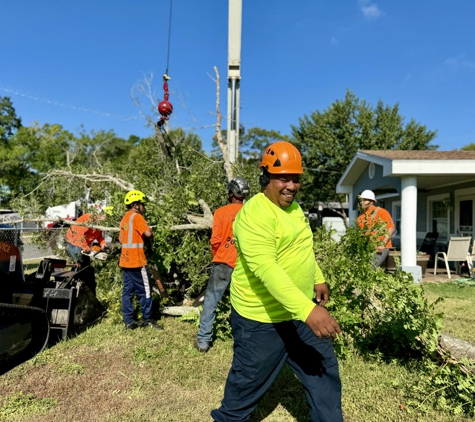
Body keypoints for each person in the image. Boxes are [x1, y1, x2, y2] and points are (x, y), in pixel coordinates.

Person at [211, 142, 343, 422]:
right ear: (266, 177)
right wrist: (308, 310)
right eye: (284, 178)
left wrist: (317, 278)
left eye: (296, 179)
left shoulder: (294, 209)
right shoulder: (253, 215)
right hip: (261, 319)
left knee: (323, 370)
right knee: (246, 384)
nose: (291, 186)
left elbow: (301, 248)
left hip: (297, 312)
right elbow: (266, 269)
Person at [194, 177, 250, 353]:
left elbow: (216, 240)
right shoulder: (251, 211)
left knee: (211, 301)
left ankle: (203, 341)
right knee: (244, 303)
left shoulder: (221, 212)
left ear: (232, 193)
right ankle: (245, 340)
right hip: (245, 264)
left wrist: (218, 255)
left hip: (223, 262)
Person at [119, 190, 162, 331]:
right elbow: (148, 233)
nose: (144, 207)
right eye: (142, 204)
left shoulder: (125, 218)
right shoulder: (137, 217)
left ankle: (129, 321)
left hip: (125, 261)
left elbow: (121, 239)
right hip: (137, 261)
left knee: (128, 292)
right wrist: (152, 233)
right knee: (146, 291)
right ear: (136, 205)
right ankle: (147, 319)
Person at [357, 189, 396, 268]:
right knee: (362, 270)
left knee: (369, 269)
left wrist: (382, 243)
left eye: (364, 200)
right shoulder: (361, 216)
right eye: (361, 200)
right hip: (366, 249)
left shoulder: (381, 212)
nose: (361, 202)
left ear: (371, 202)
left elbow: (391, 228)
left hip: (379, 249)